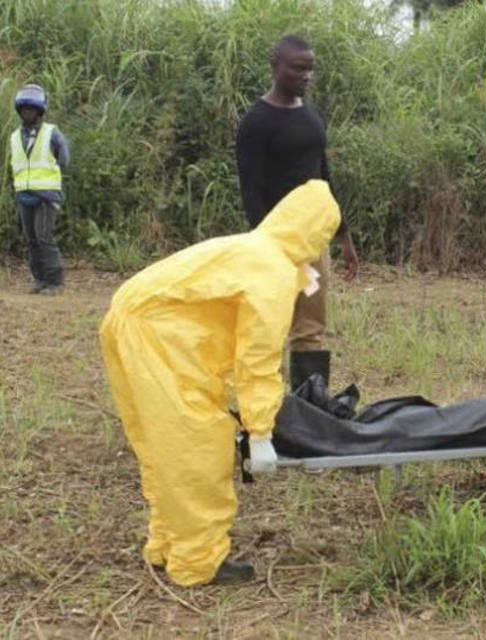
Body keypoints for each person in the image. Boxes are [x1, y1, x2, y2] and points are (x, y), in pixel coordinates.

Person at [99, 180, 341, 587]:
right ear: (316, 235)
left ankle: (167, 544)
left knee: (163, 446)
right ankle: (197, 562)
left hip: (129, 321)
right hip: (160, 338)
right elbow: (258, 358)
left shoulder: (252, 248)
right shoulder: (273, 271)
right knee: (197, 446)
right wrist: (260, 430)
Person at [236, 34, 359, 392]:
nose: (305, 75)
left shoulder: (311, 116)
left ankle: (309, 409)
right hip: (275, 245)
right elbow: (251, 192)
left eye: (310, 69)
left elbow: (325, 177)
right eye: (297, 68)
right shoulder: (256, 123)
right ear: (275, 65)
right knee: (270, 326)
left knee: (310, 329)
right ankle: (267, 408)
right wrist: (263, 249)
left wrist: (344, 236)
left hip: (313, 243)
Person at [8, 83, 69, 294]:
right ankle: (40, 280)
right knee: (31, 239)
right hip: (24, 195)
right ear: (20, 110)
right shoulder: (15, 136)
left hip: (46, 194)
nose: (27, 113)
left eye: (31, 110)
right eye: (25, 109)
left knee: (44, 238)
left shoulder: (52, 133)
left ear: (39, 111)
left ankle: (55, 282)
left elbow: (64, 160)